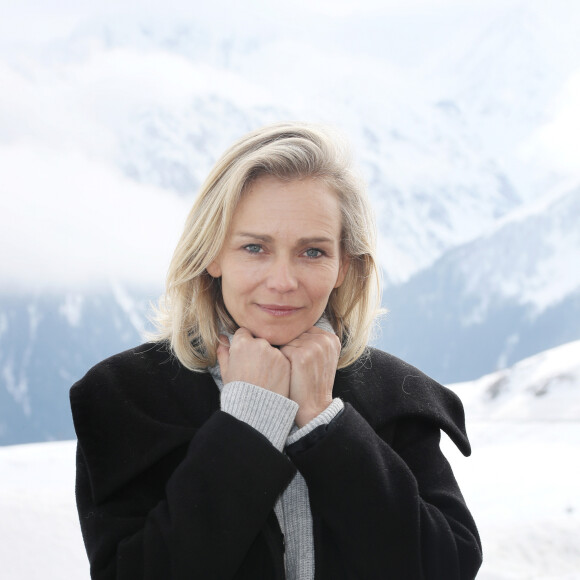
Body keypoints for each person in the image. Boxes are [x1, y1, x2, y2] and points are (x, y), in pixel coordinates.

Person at [70, 122, 482, 579]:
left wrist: (326, 423)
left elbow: (448, 567)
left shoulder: (397, 395)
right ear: (213, 255)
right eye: (254, 248)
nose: (284, 281)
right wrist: (248, 423)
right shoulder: (126, 397)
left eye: (312, 252)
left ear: (343, 265)